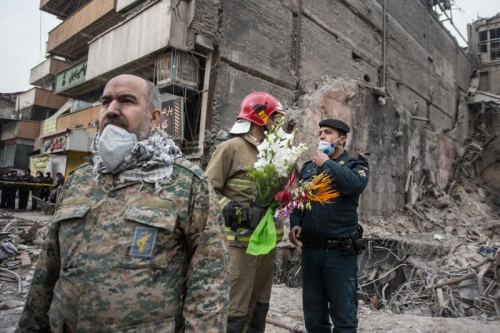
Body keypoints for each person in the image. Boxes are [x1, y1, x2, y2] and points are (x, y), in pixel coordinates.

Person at [16, 74, 230, 333]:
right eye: (106, 102)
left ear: (154, 117)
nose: (112, 110)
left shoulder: (187, 184)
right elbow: (48, 269)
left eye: (126, 101)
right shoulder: (81, 179)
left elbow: (210, 280)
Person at [205, 92, 286, 333]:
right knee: (234, 309)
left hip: (267, 244)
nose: (279, 124)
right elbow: (206, 191)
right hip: (238, 245)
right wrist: (236, 212)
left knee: (259, 306)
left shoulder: (274, 152)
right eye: (275, 118)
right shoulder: (231, 147)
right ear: (260, 117)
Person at [289, 119, 370, 333]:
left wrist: (326, 163)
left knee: (344, 315)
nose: (322, 136)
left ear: (342, 139)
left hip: (339, 253)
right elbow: (298, 200)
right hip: (311, 251)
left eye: (328, 132)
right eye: (321, 133)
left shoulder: (355, 165)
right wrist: (295, 223)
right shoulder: (309, 168)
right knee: (314, 315)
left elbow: (355, 186)